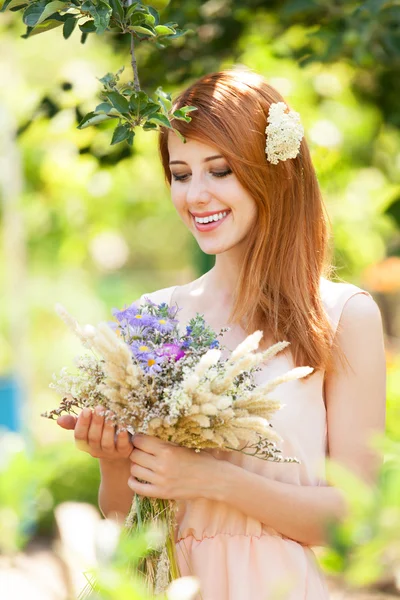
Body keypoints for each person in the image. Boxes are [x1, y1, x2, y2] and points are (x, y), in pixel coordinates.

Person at [57, 67, 386, 600]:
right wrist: (114, 461)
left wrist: (211, 479)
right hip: (170, 585)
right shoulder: (154, 316)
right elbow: (126, 519)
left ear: (272, 171)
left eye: (220, 170)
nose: (196, 195)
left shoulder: (342, 315)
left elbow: (353, 525)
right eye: (180, 174)